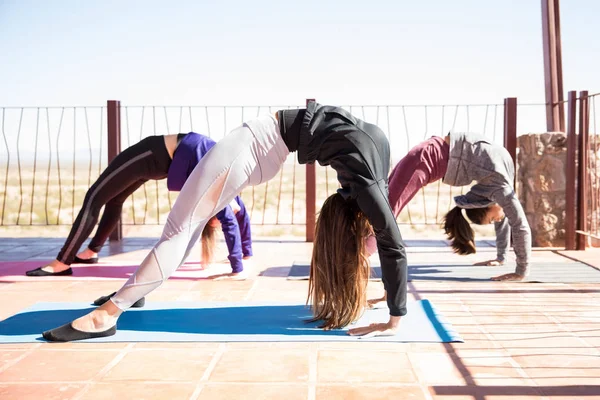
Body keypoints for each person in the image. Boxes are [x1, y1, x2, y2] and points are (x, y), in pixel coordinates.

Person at [42, 102, 408, 341]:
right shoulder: (365, 183)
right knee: (188, 227)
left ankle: (107, 315)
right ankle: (135, 294)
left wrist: (395, 318)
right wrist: (386, 293)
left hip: (254, 149)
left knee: (179, 229)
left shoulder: (369, 168)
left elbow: (391, 242)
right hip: (259, 148)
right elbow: (380, 235)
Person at [25, 132, 252, 281]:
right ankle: (90, 252)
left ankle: (62, 262)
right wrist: (245, 256)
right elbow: (241, 218)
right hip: (162, 161)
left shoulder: (223, 187)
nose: (218, 222)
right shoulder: (230, 188)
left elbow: (233, 221)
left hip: (154, 154)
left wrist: (237, 268)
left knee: (94, 197)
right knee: (114, 199)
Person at [367, 133, 532, 306]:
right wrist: (521, 271)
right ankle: (356, 259)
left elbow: (504, 219)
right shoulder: (500, 185)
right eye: (491, 220)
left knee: (382, 208)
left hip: (426, 154)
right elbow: (519, 225)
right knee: (386, 215)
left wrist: (501, 257)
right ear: (488, 204)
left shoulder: (498, 185)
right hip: (426, 159)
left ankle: (358, 258)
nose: (496, 221)